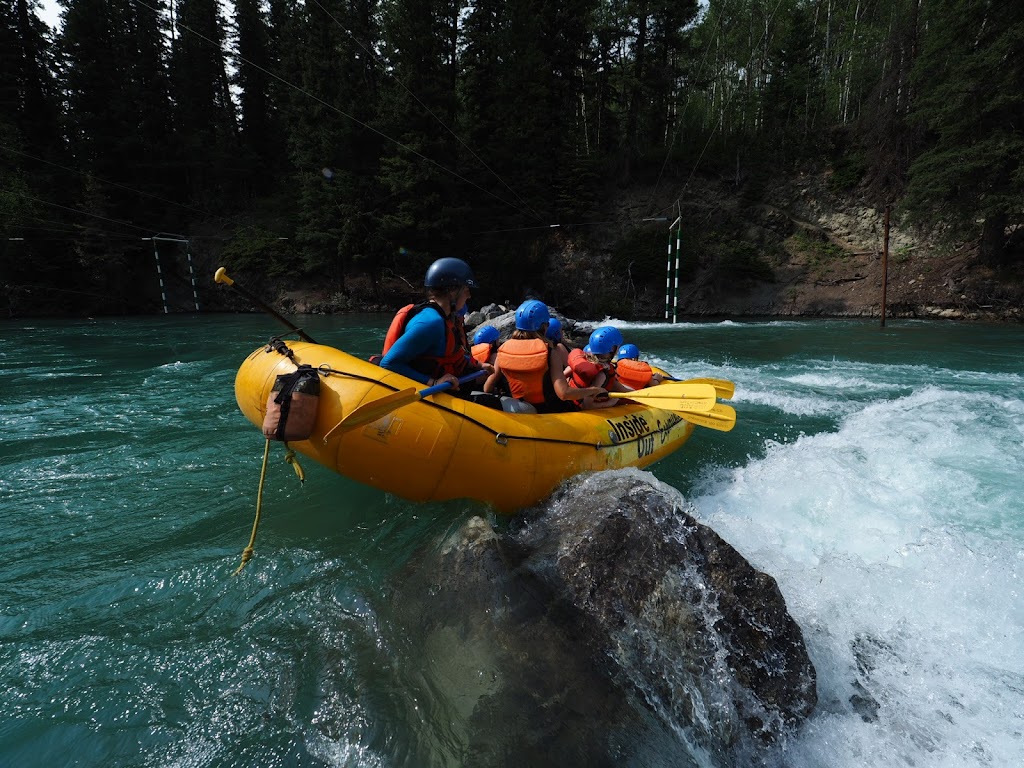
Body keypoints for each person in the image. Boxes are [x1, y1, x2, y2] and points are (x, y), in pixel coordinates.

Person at [379, 257, 493, 394]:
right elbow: (388, 363)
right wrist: (433, 382)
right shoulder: (431, 323)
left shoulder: (446, 318)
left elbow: (453, 354)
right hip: (432, 390)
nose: (469, 296)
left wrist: (478, 365)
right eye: (466, 290)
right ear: (452, 291)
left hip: (447, 382)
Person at [484, 300, 606, 412]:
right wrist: (593, 390)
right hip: (547, 411)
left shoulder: (503, 350)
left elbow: (487, 388)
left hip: (515, 409)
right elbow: (564, 393)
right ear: (544, 326)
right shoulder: (550, 352)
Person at [566, 326, 634, 406]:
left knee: (624, 390)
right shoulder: (601, 374)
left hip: (570, 401)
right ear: (613, 349)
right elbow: (587, 405)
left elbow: (564, 375)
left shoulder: (582, 361)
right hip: (578, 407)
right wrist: (612, 402)